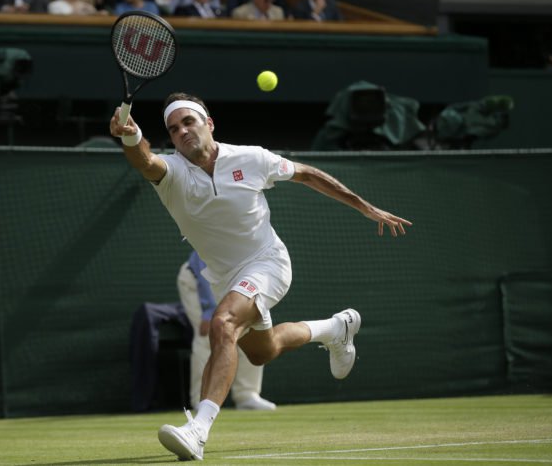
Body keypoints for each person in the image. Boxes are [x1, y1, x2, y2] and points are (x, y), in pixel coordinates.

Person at [109, 92, 412, 461]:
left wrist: (366, 208)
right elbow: (143, 159)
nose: (183, 131)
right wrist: (129, 135)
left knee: (223, 323)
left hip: (267, 263)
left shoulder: (251, 158)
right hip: (224, 277)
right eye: (173, 129)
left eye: (189, 121)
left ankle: (198, 430)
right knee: (262, 353)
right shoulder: (171, 173)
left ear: (209, 124)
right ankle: (335, 329)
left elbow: (307, 174)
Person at [178, 250, 276, 411]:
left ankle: (247, 395)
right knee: (207, 336)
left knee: (251, 331)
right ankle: (200, 399)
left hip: (237, 279)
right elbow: (204, 269)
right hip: (198, 279)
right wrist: (208, 312)